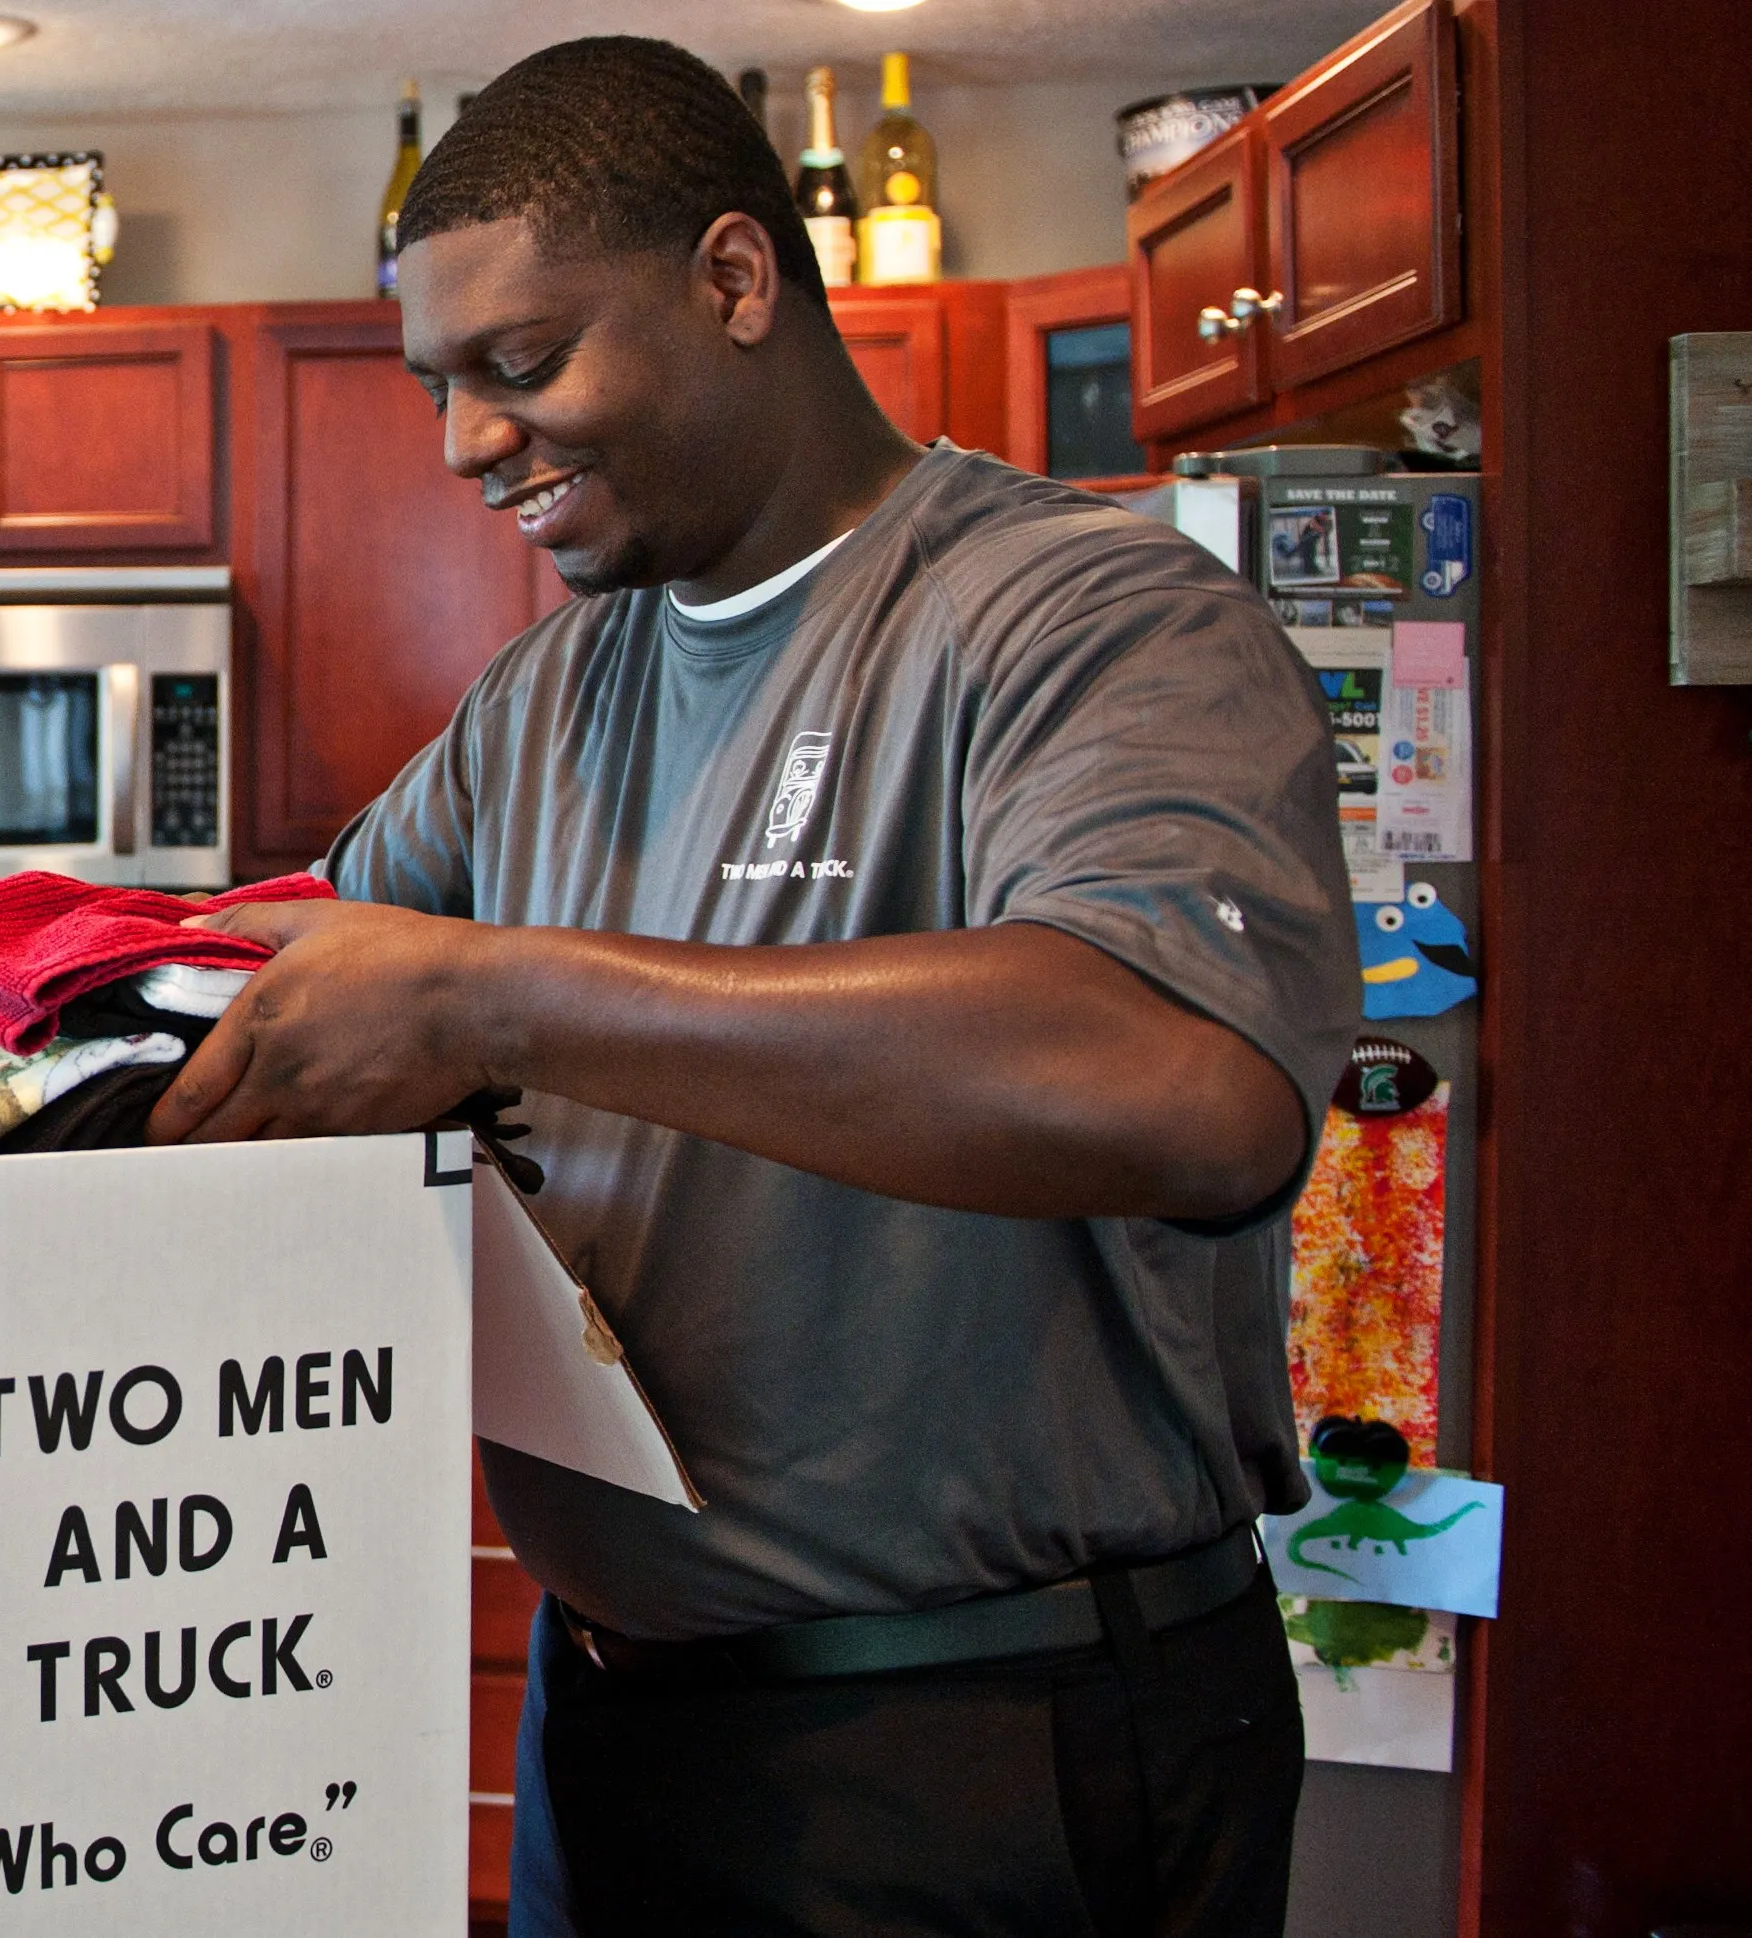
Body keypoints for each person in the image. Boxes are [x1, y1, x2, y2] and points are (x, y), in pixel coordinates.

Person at [145, 38, 1357, 1937]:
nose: (468, 440)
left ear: (731, 280)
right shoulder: (539, 705)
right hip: (619, 1713)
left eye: (523, 366)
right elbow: (272, 996)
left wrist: (494, 999)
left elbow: (1182, 1080)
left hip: (995, 1729)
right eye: (438, 387)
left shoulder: (1082, 614)